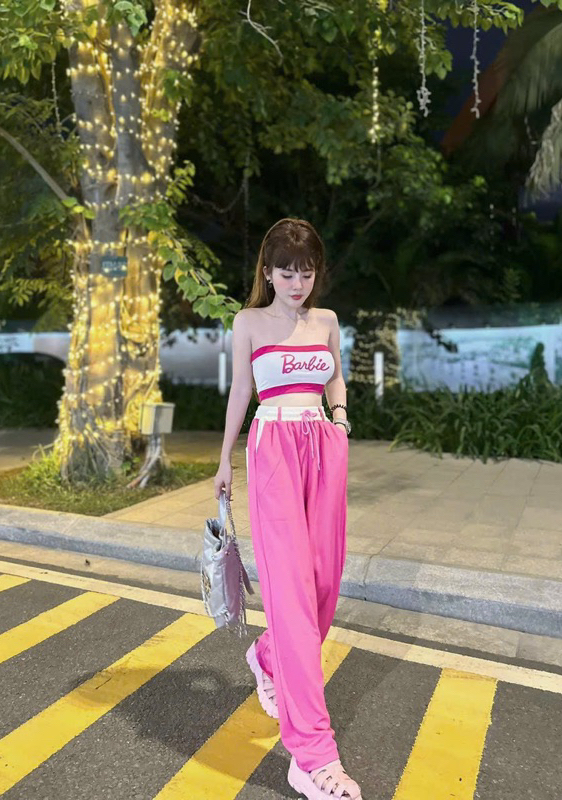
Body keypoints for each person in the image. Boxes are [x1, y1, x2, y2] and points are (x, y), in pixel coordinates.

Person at [213, 218, 362, 800]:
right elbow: (240, 392)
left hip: (323, 447)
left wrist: (341, 423)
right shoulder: (248, 322)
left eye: (307, 272)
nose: (298, 284)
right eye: (287, 272)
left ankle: (268, 656)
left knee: (323, 585)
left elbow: (337, 379)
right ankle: (312, 756)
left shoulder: (326, 322)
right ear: (268, 272)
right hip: (273, 449)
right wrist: (224, 460)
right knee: (292, 597)